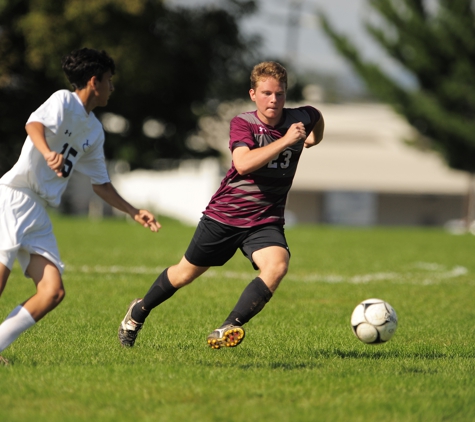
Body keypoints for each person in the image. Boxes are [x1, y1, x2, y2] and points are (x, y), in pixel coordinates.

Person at [118, 61, 324, 349]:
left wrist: (313, 138)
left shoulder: (300, 117)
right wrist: (286, 141)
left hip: (265, 221)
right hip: (225, 216)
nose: (273, 100)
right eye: (266, 93)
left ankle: (229, 326)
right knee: (183, 274)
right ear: (253, 94)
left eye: (279, 93)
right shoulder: (244, 123)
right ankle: (137, 312)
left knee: (277, 266)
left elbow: (316, 117)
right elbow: (242, 163)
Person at [0, 48, 160, 365]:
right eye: (109, 81)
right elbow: (33, 125)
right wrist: (47, 152)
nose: (112, 88)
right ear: (94, 82)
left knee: (52, 292)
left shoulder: (95, 131)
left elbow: (100, 184)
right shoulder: (63, 100)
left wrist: (132, 211)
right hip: (14, 197)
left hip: (38, 210)